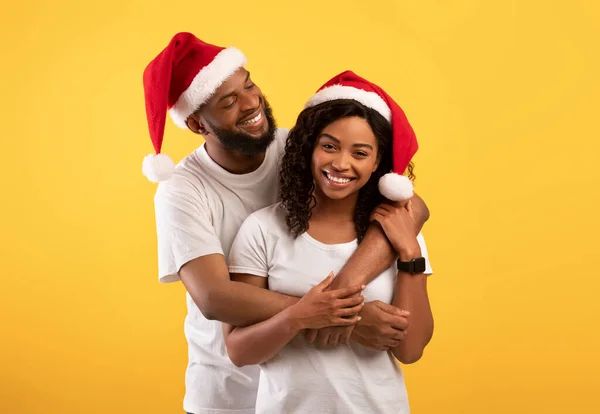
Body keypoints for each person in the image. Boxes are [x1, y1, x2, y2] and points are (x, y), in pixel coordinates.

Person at [142, 33, 430, 414]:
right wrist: (344, 316)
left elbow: (412, 208)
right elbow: (214, 298)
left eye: (248, 85)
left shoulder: (304, 149)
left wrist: (340, 298)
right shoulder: (183, 191)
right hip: (228, 387)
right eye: (229, 102)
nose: (250, 103)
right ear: (197, 124)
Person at [223, 71, 434, 413]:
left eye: (360, 153)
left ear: (378, 162)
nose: (341, 163)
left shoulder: (399, 233)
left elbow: (410, 351)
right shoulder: (263, 228)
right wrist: (300, 316)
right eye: (329, 146)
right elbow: (238, 351)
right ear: (310, 147)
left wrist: (410, 252)